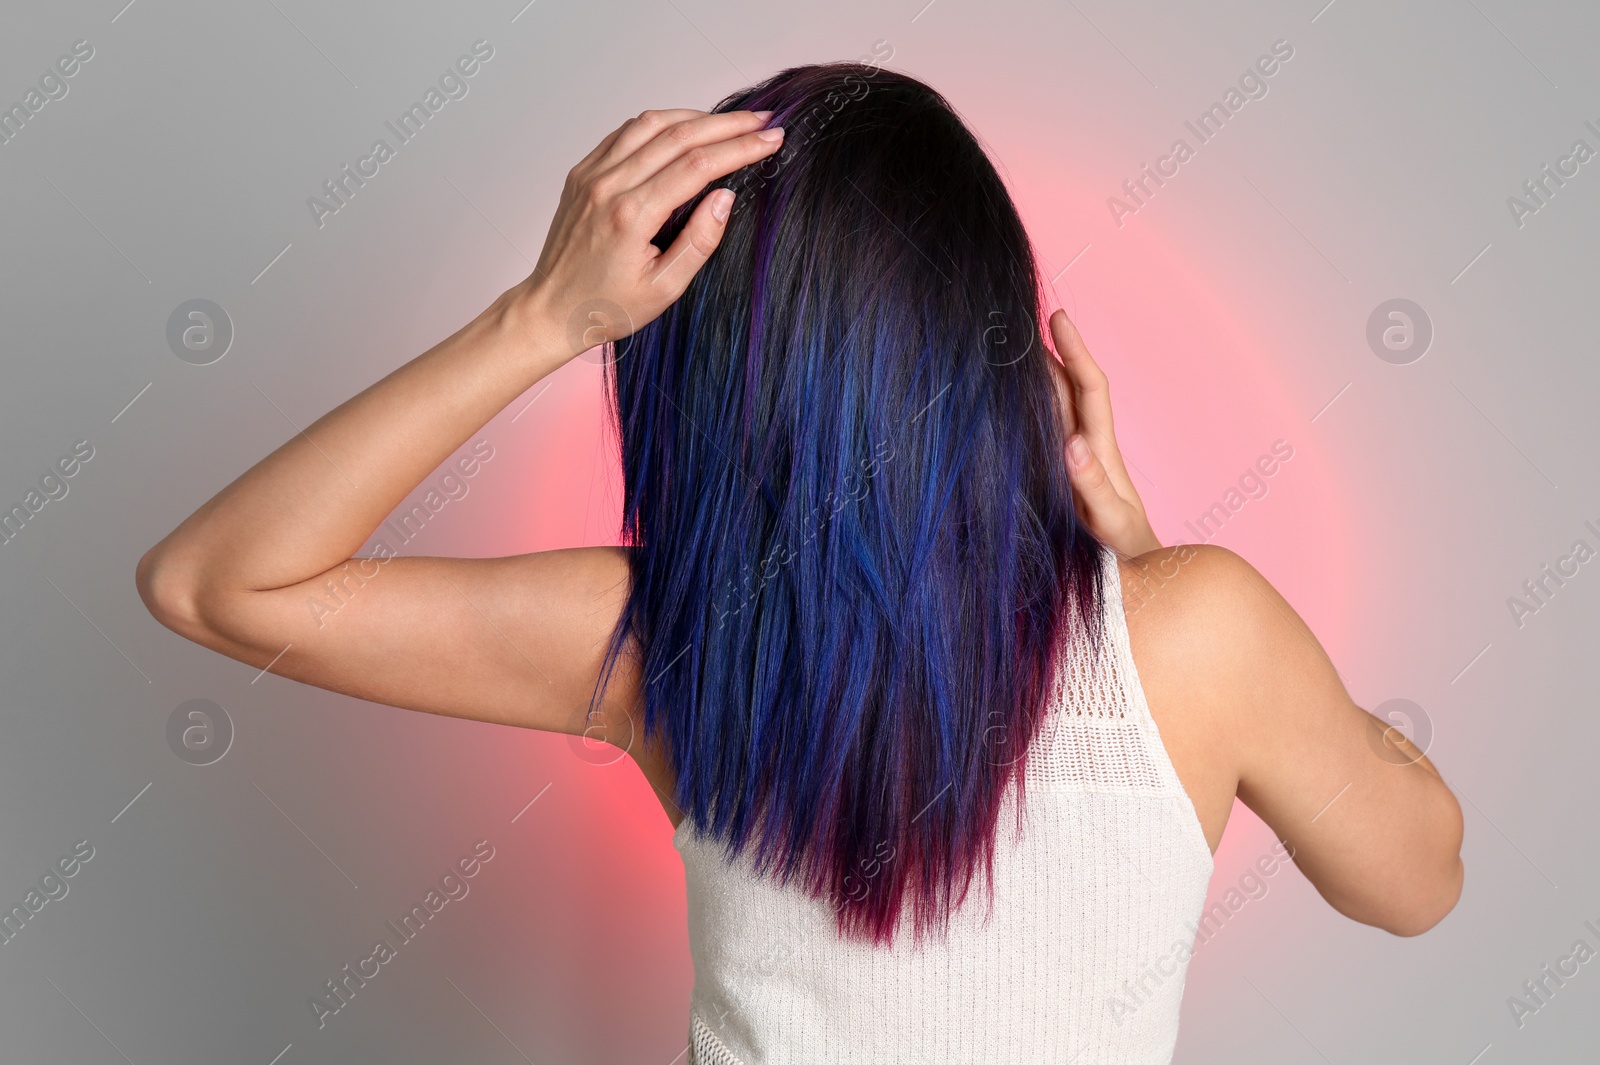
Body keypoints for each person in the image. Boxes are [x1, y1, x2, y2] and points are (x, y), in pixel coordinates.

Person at [136, 62, 1463, 1064]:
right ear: (989, 328)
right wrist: (1149, 570)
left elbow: (217, 583)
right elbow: (1417, 880)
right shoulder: (1203, 631)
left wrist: (537, 319)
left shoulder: (660, 643)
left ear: (697, 379)